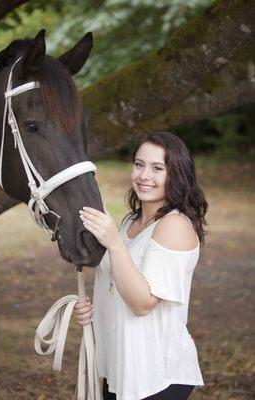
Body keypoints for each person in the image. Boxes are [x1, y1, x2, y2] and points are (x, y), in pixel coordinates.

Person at [73, 131, 208, 400]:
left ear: (177, 175)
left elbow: (142, 303)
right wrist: (93, 310)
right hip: (121, 369)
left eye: (158, 168)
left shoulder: (175, 226)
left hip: (156, 376)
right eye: (139, 164)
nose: (144, 175)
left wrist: (113, 243)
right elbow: (118, 284)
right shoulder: (129, 222)